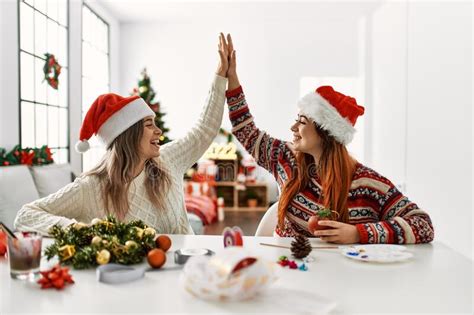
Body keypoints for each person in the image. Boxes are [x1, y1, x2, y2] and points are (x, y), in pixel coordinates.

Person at [14, 34, 233, 235]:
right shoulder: (91, 188)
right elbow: (26, 215)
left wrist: (220, 75)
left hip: (185, 270)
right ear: (129, 134)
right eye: (149, 124)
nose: (158, 131)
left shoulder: (168, 159)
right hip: (129, 277)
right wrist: (77, 229)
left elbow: (204, 130)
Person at [224, 34, 434, 244]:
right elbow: (247, 132)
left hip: (339, 274)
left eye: (303, 121)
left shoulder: (366, 184)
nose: (293, 127)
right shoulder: (285, 158)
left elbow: (422, 225)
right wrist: (232, 77)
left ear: (325, 134)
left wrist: (358, 233)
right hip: (285, 267)